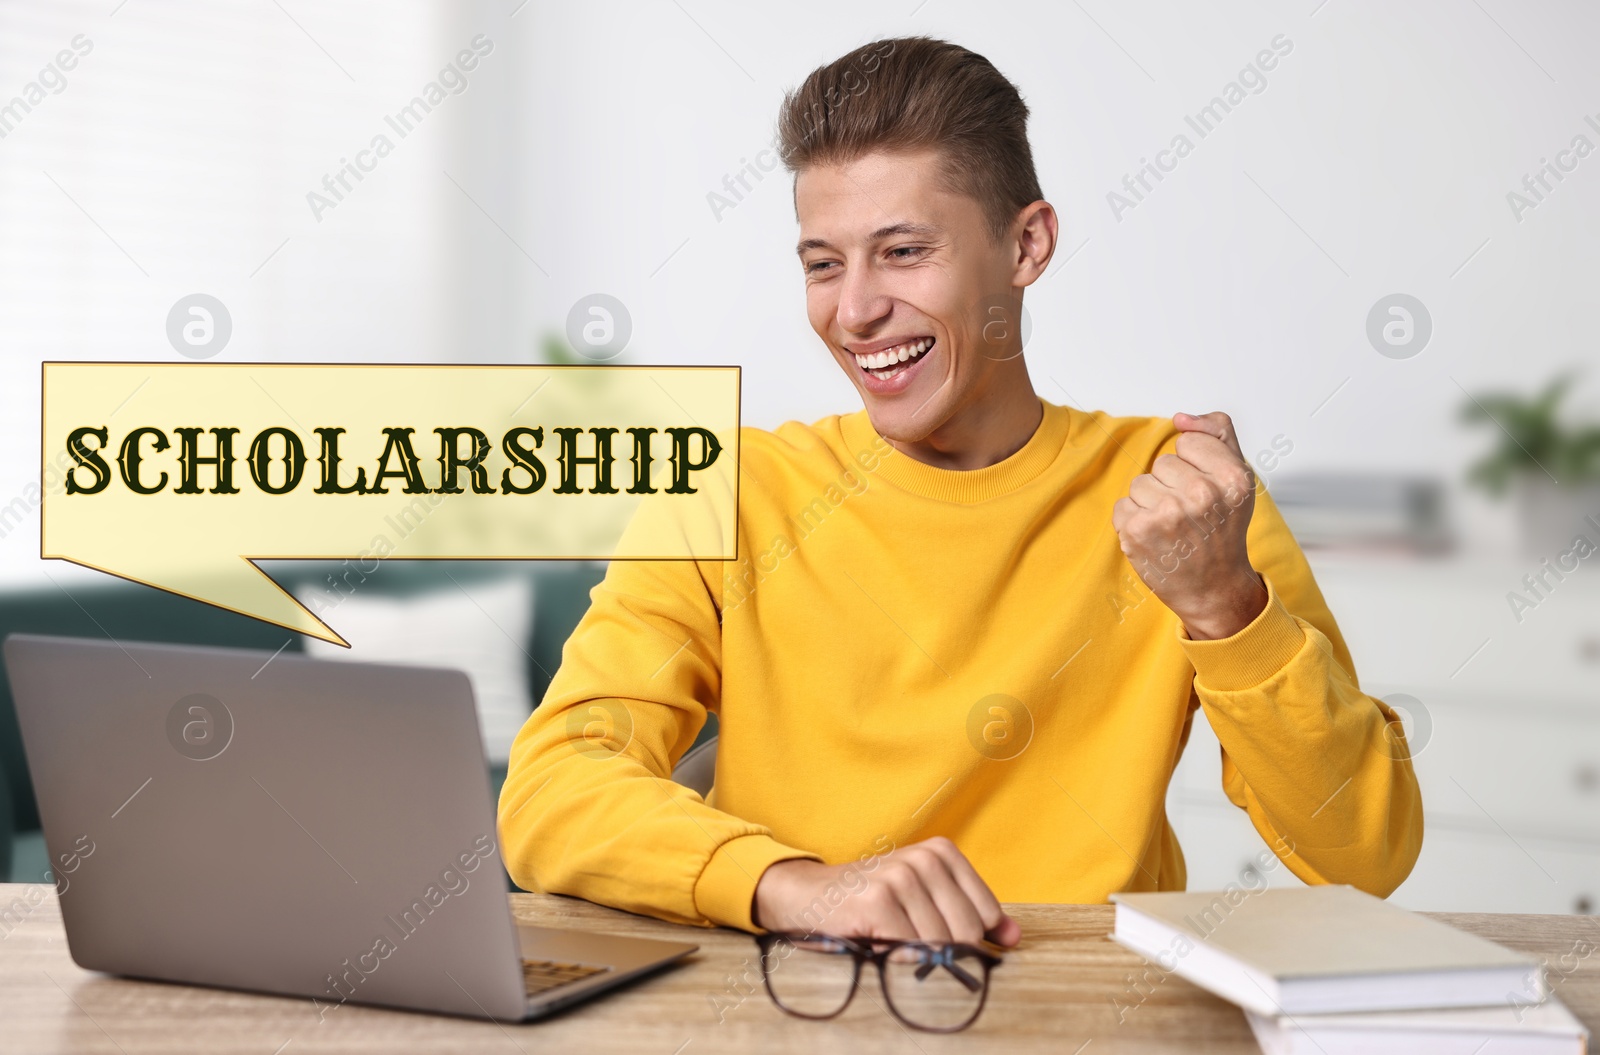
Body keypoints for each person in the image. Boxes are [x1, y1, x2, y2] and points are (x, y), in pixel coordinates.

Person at [497, 35, 1423, 949]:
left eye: (901, 252)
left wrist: (1226, 606)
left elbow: (1364, 853)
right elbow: (553, 788)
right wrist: (802, 888)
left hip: (1085, 1012)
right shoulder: (732, 494)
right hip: (790, 1006)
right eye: (822, 262)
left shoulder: (1181, 501)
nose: (853, 310)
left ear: (1026, 244)